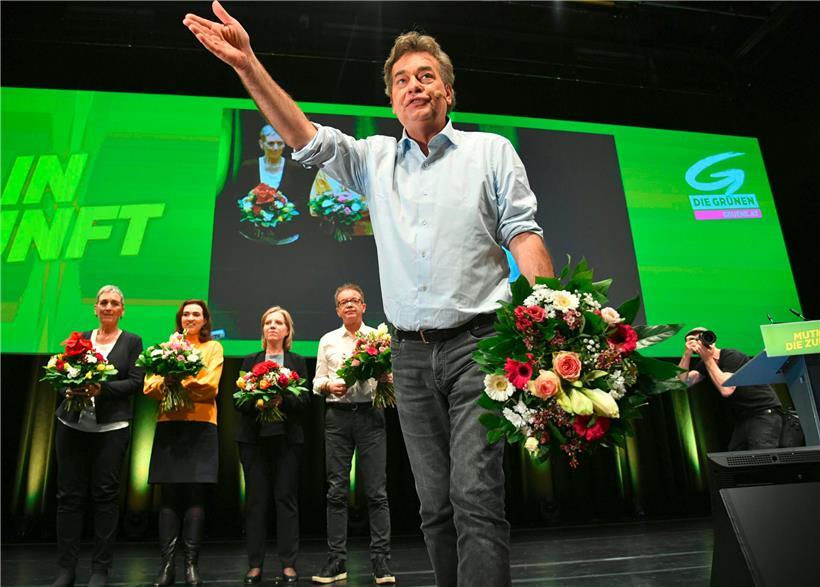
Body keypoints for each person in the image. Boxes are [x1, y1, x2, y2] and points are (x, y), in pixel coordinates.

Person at [184, 5, 554, 584]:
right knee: (435, 509)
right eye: (402, 79)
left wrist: (552, 315)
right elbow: (302, 136)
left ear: (449, 92)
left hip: (479, 348)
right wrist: (248, 64)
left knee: (476, 497)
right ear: (391, 101)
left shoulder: (491, 152)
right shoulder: (372, 158)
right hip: (407, 357)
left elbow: (523, 233)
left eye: (426, 75)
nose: (414, 85)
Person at [52, 285, 144, 587]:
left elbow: (135, 382)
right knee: (68, 498)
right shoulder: (79, 339)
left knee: (105, 497)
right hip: (72, 426)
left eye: (114, 303)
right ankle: (66, 569)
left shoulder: (132, 341)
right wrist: (69, 389)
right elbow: (60, 377)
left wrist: (101, 389)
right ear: (95, 308)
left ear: (122, 310)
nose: (108, 307)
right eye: (103, 302)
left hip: (111, 429)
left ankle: (100, 570)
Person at [312, 284, 394, 585]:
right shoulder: (327, 340)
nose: (349, 305)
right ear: (337, 309)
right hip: (338, 417)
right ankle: (336, 562)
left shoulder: (379, 339)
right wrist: (327, 387)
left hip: (371, 415)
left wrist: (387, 377)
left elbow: (393, 379)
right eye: (343, 302)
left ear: (363, 306)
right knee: (336, 492)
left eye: (354, 301)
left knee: (377, 492)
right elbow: (317, 380)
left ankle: (381, 564)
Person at [144, 300, 224, 586]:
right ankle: (166, 566)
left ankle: (191, 565)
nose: (190, 318)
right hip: (169, 423)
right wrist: (171, 381)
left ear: (205, 320)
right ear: (180, 319)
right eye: (186, 314)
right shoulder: (164, 348)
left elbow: (210, 386)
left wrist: (179, 380)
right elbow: (149, 386)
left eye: (196, 314)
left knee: (195, 495)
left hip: (202, 425)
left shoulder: (212, 348)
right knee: (169, 496)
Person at [236, 306, 309, 585]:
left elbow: (304, 401)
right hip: (253, 440)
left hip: (287, 440)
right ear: (263, 329)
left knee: (286, 501)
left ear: (287, 330)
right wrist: (259, 399)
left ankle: (288, 564)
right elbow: (238, 401)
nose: (273, 326)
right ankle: (255, 564)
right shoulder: (250, 360)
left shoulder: (297, 361)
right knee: (255, 503)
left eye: (279, 322)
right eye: (268, 322)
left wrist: (282, 400)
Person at [678, 327, 783, 450]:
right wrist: (687, 354)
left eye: (702, 337)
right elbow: (682, 383)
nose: (700, 342)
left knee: (762, 458)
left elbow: (727, 390)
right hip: (745, 418)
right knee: (735, 459)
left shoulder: (731, 355)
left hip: (764, 413)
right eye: (694, 340)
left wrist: (707, 358)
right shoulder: (705, 365)